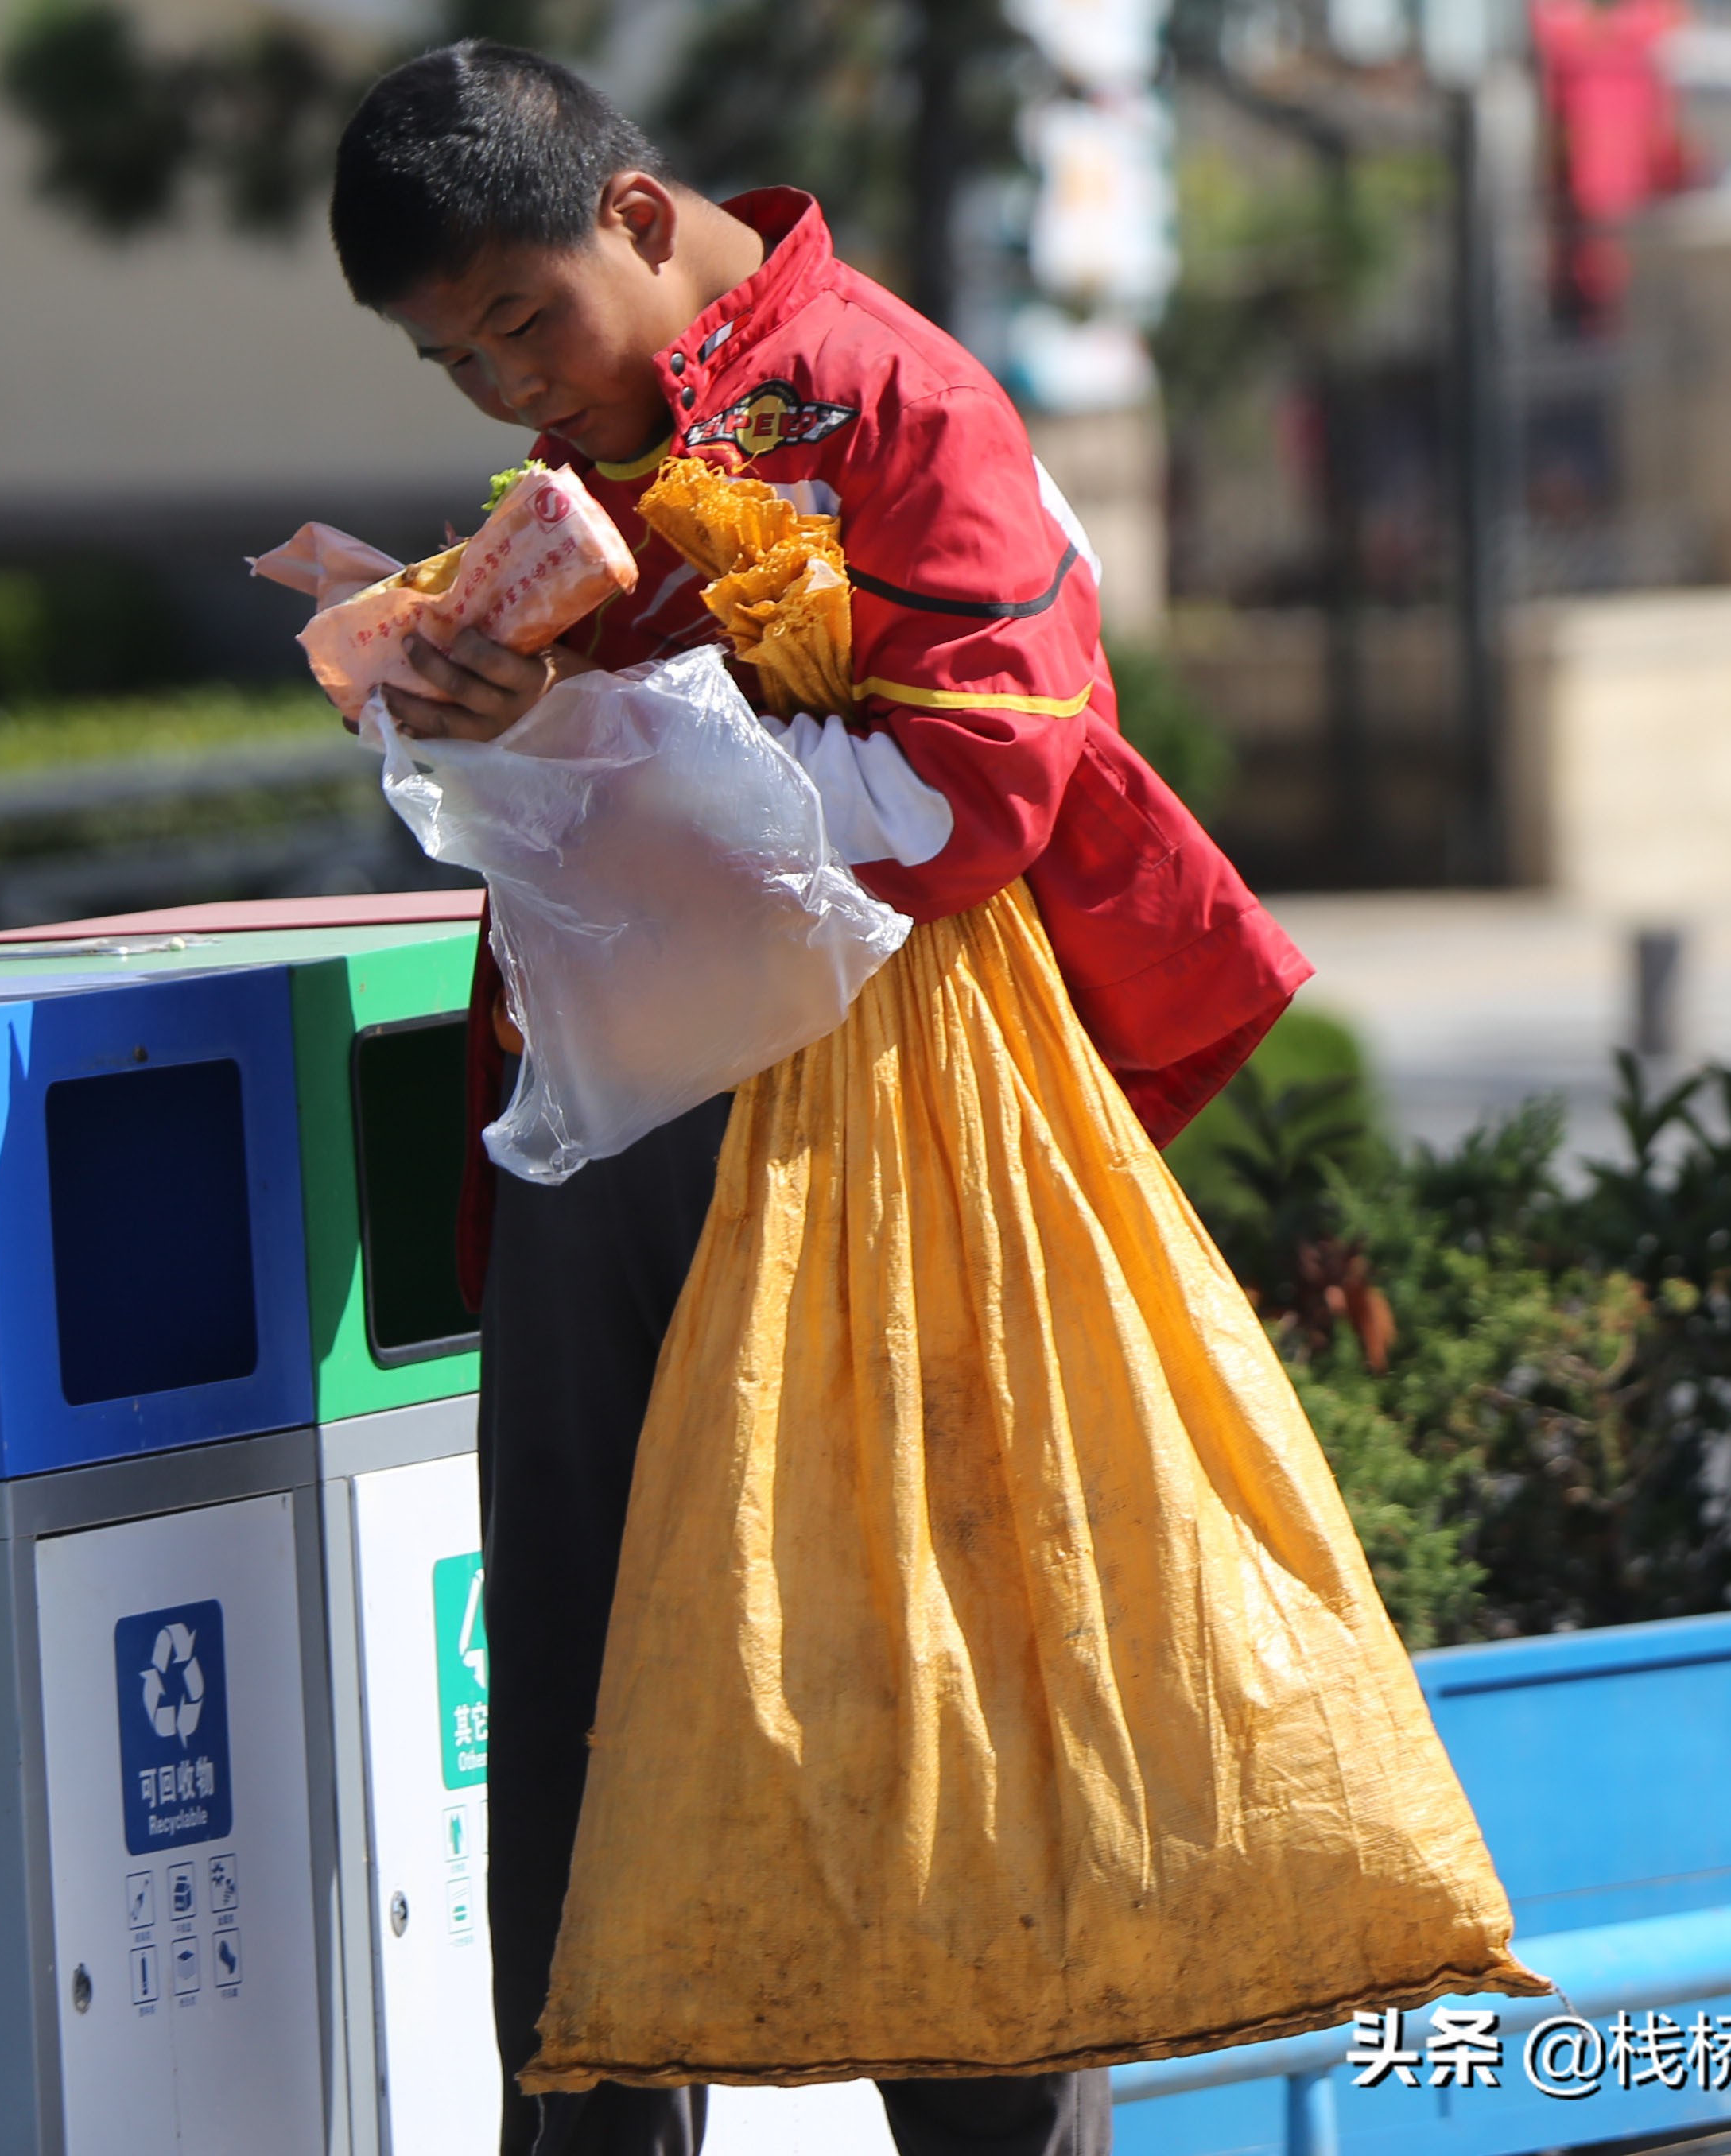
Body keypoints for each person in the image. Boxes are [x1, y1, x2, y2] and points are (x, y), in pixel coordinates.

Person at [324, 43, 1312, 2156]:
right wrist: (473, 711)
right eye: (450, 358)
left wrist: (602, 746)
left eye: (521, 318)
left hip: (882, 1124)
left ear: (636, 215)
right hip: (606, 1120)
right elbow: (591, 800)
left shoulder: (889, 391)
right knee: (584, 1691)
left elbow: (995, 774)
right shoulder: (569, 463)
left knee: (918, 1673)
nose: (506, 387)